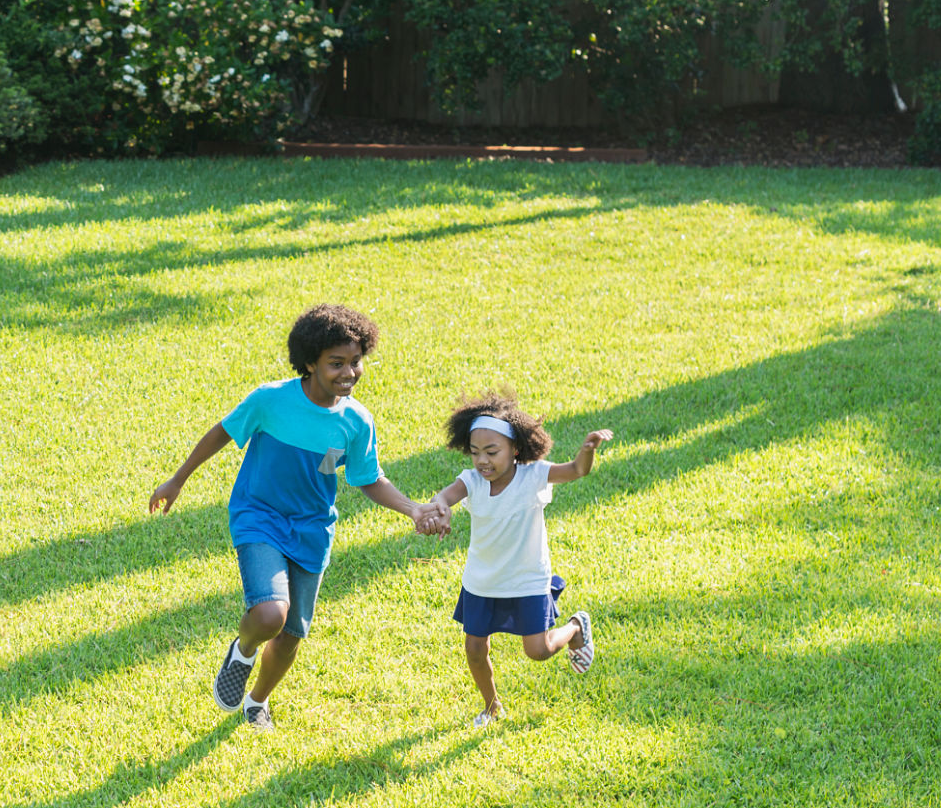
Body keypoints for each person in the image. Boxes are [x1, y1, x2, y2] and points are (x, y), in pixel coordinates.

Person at [149, 303, 446, 732]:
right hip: (260, 516)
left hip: (312, 530)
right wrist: (177, 480)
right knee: (270, 615)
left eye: (356, 362)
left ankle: (257, 701)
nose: (349, 373)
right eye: (336, 363)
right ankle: (244, 650)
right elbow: (221, 432)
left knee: (290, 636)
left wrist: (413, 508)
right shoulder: (271, 401)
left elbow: (368, 478)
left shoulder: (356, 421)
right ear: (309, 362)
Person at [419, 392, 612, 726]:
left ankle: (576, 627)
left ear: (516, 450)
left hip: (526, 578)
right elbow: (444, 497)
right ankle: (492, 706)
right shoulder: (472, 481)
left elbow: (577, 470)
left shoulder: (533, 476)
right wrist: (441, 510)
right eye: (476, 452)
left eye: (492, 452)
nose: (483, 461)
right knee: (475, 650)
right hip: (483, 579)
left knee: (537, 650)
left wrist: (587, 451)